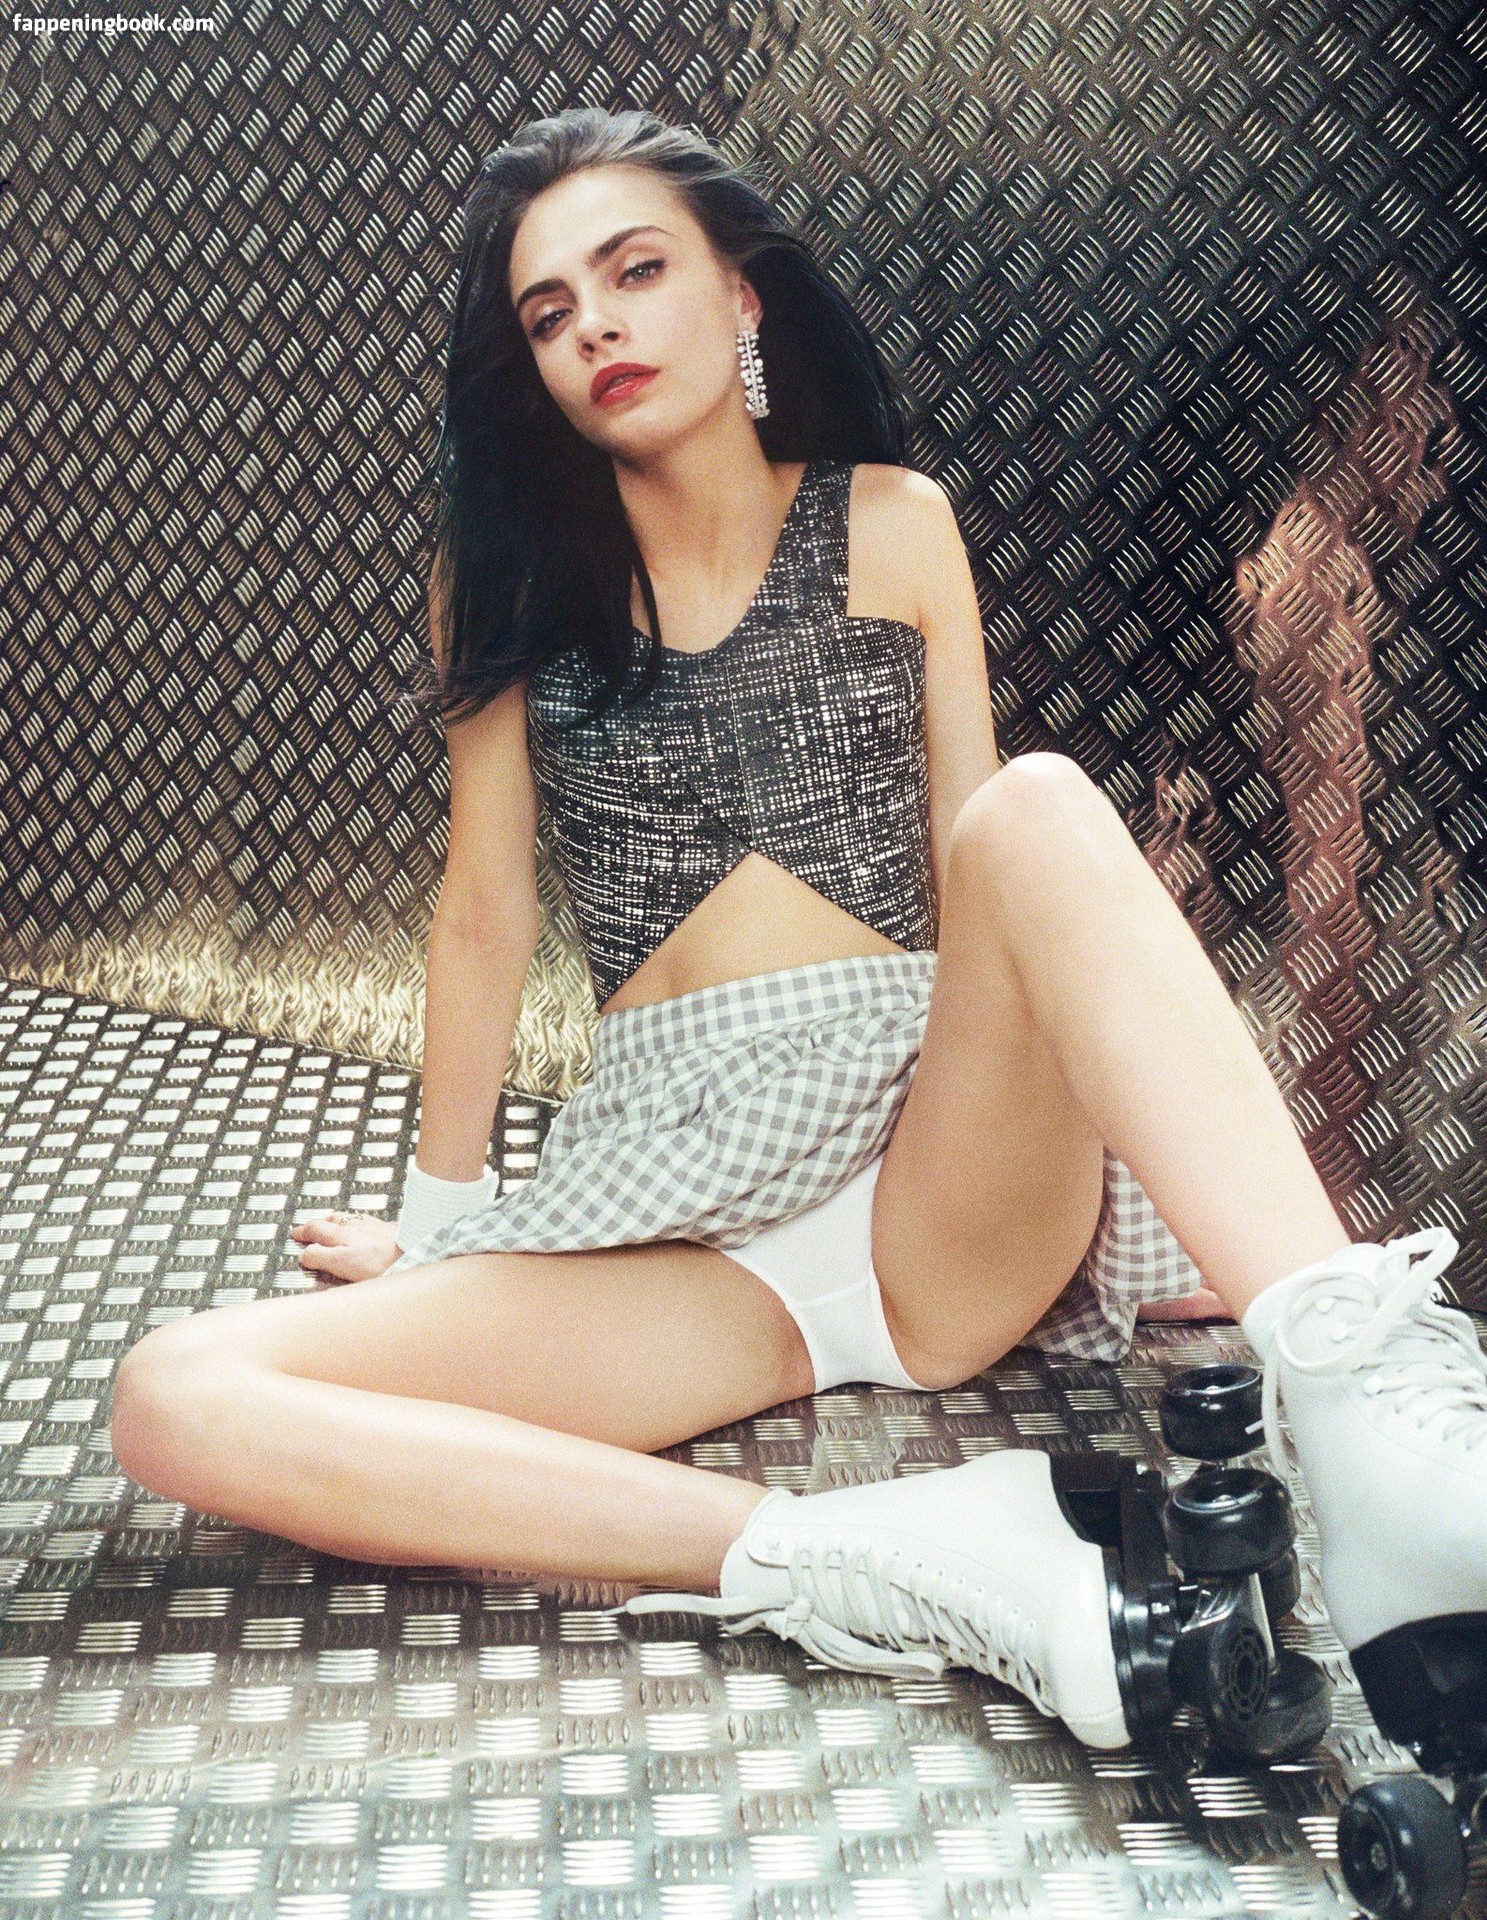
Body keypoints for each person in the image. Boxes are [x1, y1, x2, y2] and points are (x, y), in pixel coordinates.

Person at [109, 108, 1487, 1750]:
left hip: (932, 1190)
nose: (596, 325)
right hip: (684, 1242)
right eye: (550, 312)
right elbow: (482, 913)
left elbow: (996, 887)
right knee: (174, 1396)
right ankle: (872, 1557)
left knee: (1037, 809)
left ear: (741, 295)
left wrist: (1174, 1208)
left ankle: (1360, 1395)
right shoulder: (505, 580)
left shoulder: (894, 519)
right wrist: (446, 1224)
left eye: (635, 271)